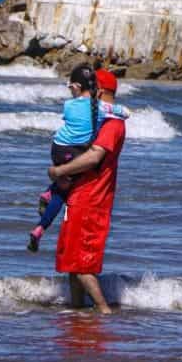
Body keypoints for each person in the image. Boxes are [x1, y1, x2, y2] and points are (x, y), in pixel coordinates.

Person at [48, 66, 128, 314]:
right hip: (78, 198)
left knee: (82, 264)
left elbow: (94, 157)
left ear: (99, 90)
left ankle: (103, 310)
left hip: (90, 200)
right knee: (71, 258)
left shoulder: (112, 125)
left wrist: (59, 172)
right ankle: (76, 310)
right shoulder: (100, 119)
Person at [29, 66, 130, 251]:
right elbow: (93, 157)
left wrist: (58, 171)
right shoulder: (103, 111)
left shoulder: (69, 105)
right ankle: (43, 220)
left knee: (61, 186)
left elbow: (72, 120)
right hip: (74, 155)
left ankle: (43, 215)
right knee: (63, 190)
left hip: (57, 147)